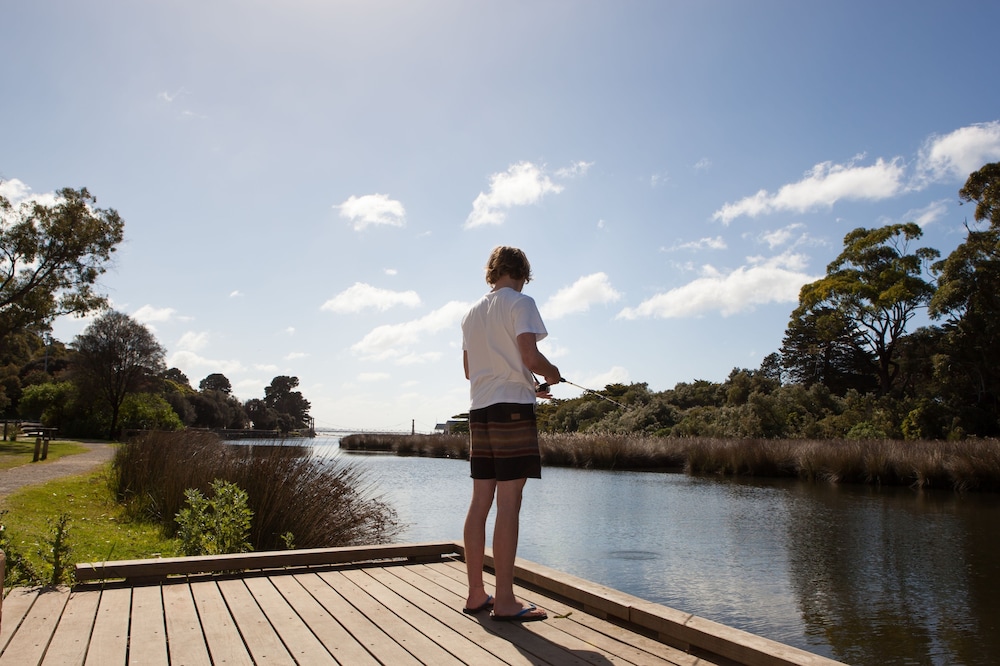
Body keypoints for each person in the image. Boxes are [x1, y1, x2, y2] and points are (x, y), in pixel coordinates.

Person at [460, 246, 561, 622]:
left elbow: (473, 371)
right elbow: (529, 357)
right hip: (512, 412)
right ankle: (504, 601)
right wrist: (550, 373)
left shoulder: (471, 314)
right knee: (509, 502)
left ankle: (475, 595)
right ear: (521, 273)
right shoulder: (521, 302)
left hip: (480, 410)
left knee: (480, 500)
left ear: (493, 272)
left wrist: (528, 386)